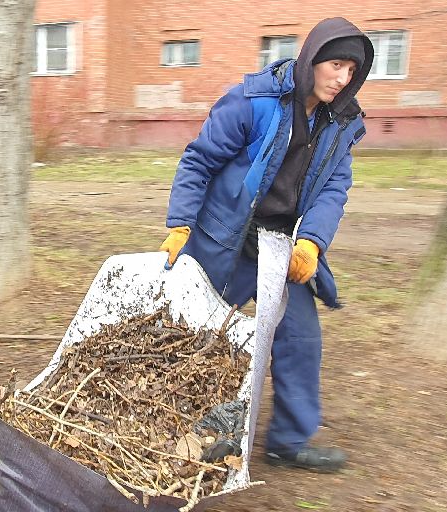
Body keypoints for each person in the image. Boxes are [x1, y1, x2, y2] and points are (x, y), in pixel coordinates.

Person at [159, 17, 372, 473]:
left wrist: (311, 244)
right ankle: (181, 428)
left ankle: (288, 443)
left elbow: (334, 190)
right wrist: (180, 225)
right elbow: (198, 162)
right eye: (335, 65)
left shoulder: (342, 123)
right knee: (203, 337)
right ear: (312, 58)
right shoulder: (254, 101)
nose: (342, 78)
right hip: (225, 239)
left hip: (279, 247)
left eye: (351, 71)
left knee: (300, 338)